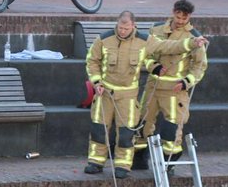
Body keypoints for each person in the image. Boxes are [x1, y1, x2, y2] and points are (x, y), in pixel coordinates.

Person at [85, 10, 208, 177]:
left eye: (126, 28)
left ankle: (123, 165)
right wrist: (96, 81)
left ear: (133, 26)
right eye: (120, 27)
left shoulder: (144, 41)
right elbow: (92, 61)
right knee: (99, 128)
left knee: (126, 132)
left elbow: (168, 46)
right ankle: (95, 161)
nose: (122, 31)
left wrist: (193, 43)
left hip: (128, 96)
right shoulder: (104, 39)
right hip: (104, 92)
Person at [135, 0, 208, 161]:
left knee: (172, 128)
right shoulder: (156, 29)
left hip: (175, 90)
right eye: (178, 16)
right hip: (153, 86)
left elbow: (200, 66)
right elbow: (144, 55)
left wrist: (186, 82)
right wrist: (153, 66)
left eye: (185, 18)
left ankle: (170, 163)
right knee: (142, 123)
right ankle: (139, 158)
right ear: (173, 12)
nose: (181, 21)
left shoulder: (194, 37)